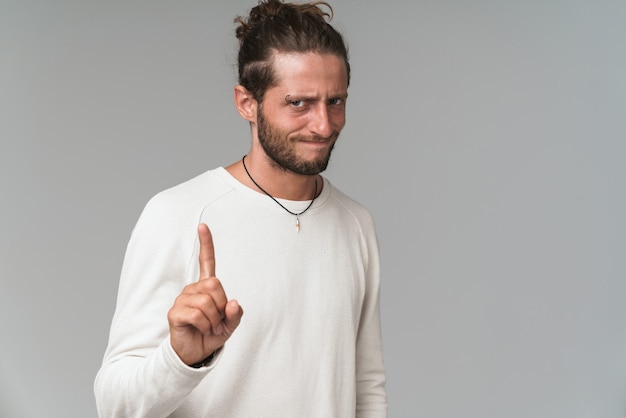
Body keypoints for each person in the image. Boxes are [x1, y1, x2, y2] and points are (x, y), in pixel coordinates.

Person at [94, 0, 387, 416]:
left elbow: (366, 388)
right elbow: (113, 405)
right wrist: (180, 360)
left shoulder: (356, 224)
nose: (324, 125)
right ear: (246, 103)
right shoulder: (177, 214)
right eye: (299, 103)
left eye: (335, 101)